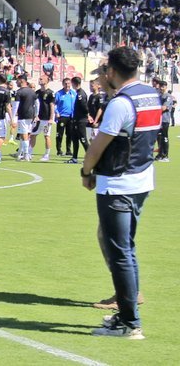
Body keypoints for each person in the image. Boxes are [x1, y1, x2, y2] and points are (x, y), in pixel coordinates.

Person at [81, 48, 159, 339]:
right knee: (127, 248)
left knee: (119, 251)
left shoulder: (121, 103)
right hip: (141, 180)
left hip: (118, 183)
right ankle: (128, 310)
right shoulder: (150, 94)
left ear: (112, 71)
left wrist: (86, 172)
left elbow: (98, 146)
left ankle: (129, 322)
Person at [14, 75, 38, 162]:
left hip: (22, 115)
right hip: (31, 115)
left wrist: (13, 117)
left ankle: (26, 155)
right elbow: (37, 103)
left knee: (24, 135)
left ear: (22, 80)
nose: (16, 82)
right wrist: (36, 114)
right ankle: (22, 153)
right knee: (26, 134)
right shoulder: (32, 92)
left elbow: (15, 106)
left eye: (17, 80)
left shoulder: (19, 92)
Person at [33, 74, 55, 162]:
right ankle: (29, 152)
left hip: (46, 119)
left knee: (46, 136)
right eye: (39, 79)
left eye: (41, 79)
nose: (40, 80)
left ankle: (47, 154)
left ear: (47, 81)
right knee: (33, 134)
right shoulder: (37, 93)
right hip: (38, 118)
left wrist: (51, 118)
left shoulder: (50, 93)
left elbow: (52, 106)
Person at [68, 76, 90, 164]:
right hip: (77, 120)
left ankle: (89, 158)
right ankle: (74, 158)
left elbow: (84, 107)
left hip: (81, 120)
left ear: (74, 83)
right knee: (75, 139)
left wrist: (86, 115)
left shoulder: (81, 94)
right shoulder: (78, 93)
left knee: (83, 139)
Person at [54, 77, 76, 157]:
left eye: (69, 83)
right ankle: (59, 150)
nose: (67, 85)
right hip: (62, 116)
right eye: (66, 83)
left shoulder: (73, 93)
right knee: (59, 134)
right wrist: (56, 112)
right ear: (63, 84)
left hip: (71, 117)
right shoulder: (59, 93)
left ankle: (68, 150)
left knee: (70, 134)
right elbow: (54, 104)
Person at [154, 78, 172, 162]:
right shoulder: (159, 95)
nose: (161, 88)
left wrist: (154, 109)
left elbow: (163, 108)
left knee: (165, 137)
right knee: (159, 138)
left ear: (166, 87)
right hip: (158, 120)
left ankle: (165, 155)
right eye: (160, 86)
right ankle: (160, 154)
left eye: (163, 86)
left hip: (164, 120)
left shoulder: (168, 96)